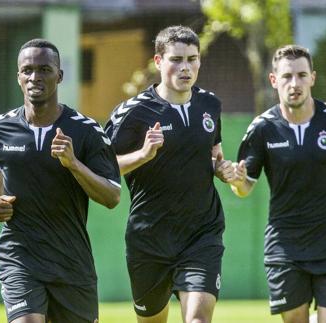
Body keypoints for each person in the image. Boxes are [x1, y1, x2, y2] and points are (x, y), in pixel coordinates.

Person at [0, 38, 121, 323]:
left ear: (59, 76)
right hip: (20, 257)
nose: (35, 77)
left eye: (44, 69)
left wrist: (74, 164)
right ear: (18, 77)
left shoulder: (86, 131)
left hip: (72, 261)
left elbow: (112, 196)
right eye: (27, 70)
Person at [104, 25, 235, 323]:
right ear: (158, 61)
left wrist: (222, 169)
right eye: (176, 59)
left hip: (202, 234)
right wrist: (142, 155)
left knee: (197, 319)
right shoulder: (132, 113)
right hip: (149, 238)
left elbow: (215, 153)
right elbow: (102, 168)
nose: (185, 67)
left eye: (192, 59)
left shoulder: (210, 104)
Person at [229, 44, 326, 323]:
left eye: (301, 75)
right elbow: (244, 186)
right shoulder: (262, 128)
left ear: (313, 77)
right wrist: (237, 182)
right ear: (274, 80)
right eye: (287, 76)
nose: (294, 83)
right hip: (285, 248)